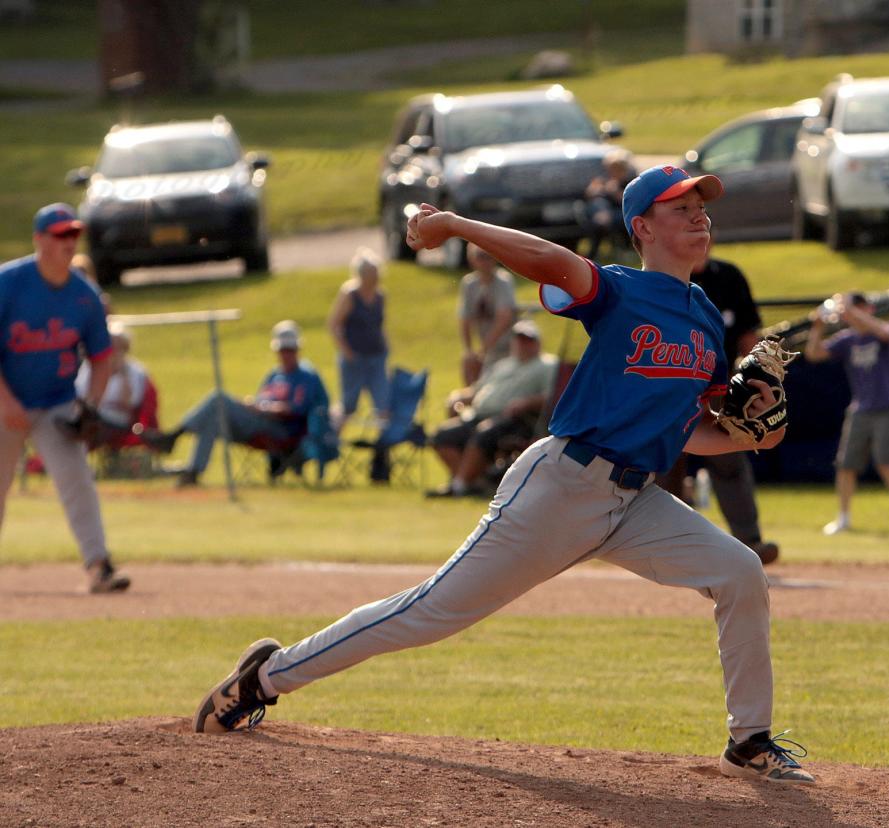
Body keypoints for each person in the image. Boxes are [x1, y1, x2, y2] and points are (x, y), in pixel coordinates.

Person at [193, 165, 815, 785]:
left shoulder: (706, 316)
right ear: (643, 227)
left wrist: (753, 428)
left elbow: (691, 429)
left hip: (636, 500)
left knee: (740, 571)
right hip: (561, 487)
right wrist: (456, 224)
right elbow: (547, 259)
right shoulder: (620, 290)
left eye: (700, 204)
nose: (698, 214)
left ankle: (750, 740)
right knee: (430, 613)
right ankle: (264, 677)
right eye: (680, 206)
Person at [0, 203, 130, 593]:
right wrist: (6, 403)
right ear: (39, 240)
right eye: (59, 235)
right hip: (5, 399)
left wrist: (88, 405)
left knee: (77, 482)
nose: (68, 242)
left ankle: (99, 566)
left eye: (73, 234)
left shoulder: (84, 296)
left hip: (56, 402)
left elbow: (103, 359)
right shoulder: (9, 284)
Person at [658, 238, 780, 565]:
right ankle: (665, 545)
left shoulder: (728, 277)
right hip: (671, 390)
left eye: (705, 237)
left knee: (730, 462)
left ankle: (750, 541)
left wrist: (757, 377)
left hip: (718, 390)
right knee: (665, 467)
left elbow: (747, 337)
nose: (701, 243)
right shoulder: (663, 280)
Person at [142, 320, 329, 487]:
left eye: (290, 349)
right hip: (255, 423)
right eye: (282, 349)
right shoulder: (274, 375)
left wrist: (261, 408)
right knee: (215, 419)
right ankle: (193, 471)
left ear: (298, 349)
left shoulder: (306, 376)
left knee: (219, 399)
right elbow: (261, 398)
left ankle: (174, 435)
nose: (285, 354)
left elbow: (294, 410)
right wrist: (250, 404)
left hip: (280, 429)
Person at [804, 291, 889, 535]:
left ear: (868, 309)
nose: (848, 314)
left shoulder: (884, 330)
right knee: (846, 465)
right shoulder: (847, 340)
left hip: (888, 406)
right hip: (860, 409)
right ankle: (843, 518)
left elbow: (883, 332)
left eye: (856, 308)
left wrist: (848, 309)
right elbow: (814, 354)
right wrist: (818, 327)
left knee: (886, 461)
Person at [429, 319, 556, 497]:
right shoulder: (503, 365)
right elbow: (478, 389)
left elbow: (553, 396)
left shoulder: (547, 365)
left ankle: (460, 486)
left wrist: (526, 402)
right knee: (443, 436)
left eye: (528, 340)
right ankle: (472, 483)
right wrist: (460, 397)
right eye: (519, 339)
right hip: (478, 415)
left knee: (483, 433)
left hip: (517, 419)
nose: (522, 344)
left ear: (537, 343)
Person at [327, 247, 389, 431]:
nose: (376, 277)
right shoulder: (350, 294)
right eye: (372, 273)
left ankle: (382, 451)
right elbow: (333, 324)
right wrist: (346, 351)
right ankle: (331, 439)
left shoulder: (380, 296)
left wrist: (386, 347)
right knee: (348, 406)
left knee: (383, 403)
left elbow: (379, 325)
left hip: (377, 356)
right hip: (354, 358)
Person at [74, 321, 153, 448]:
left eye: (117, 347)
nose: (113, 351)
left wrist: (121, 372)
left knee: (88, 423)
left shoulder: (134, 371)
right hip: (95, 414)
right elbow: (79, 393)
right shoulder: (91, 368)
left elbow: (133, 402)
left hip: (119, 420)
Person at [458, 243, 517, 385]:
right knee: (468, 362)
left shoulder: (503, 281)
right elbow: (465, 319)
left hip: (507, 347)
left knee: (487, 384)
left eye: (489, 256)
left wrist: (482, 350)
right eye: (481, 256)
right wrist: (469, 350)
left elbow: (504, 318)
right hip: (488, 349)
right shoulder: (469, 284)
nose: (485, 261)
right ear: (472, 259)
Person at [581, 148, 636, 260]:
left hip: (622, 214)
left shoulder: (631, 183)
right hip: (602, 213)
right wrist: (601, 189)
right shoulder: (603, 180)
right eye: (613, 169)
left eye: (619, 169)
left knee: (604, 220)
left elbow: (631, 202)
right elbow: (589, 194)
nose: (615, 172)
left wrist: (615, 192)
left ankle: (596, 252)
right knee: (598, 204)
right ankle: (594, 252)